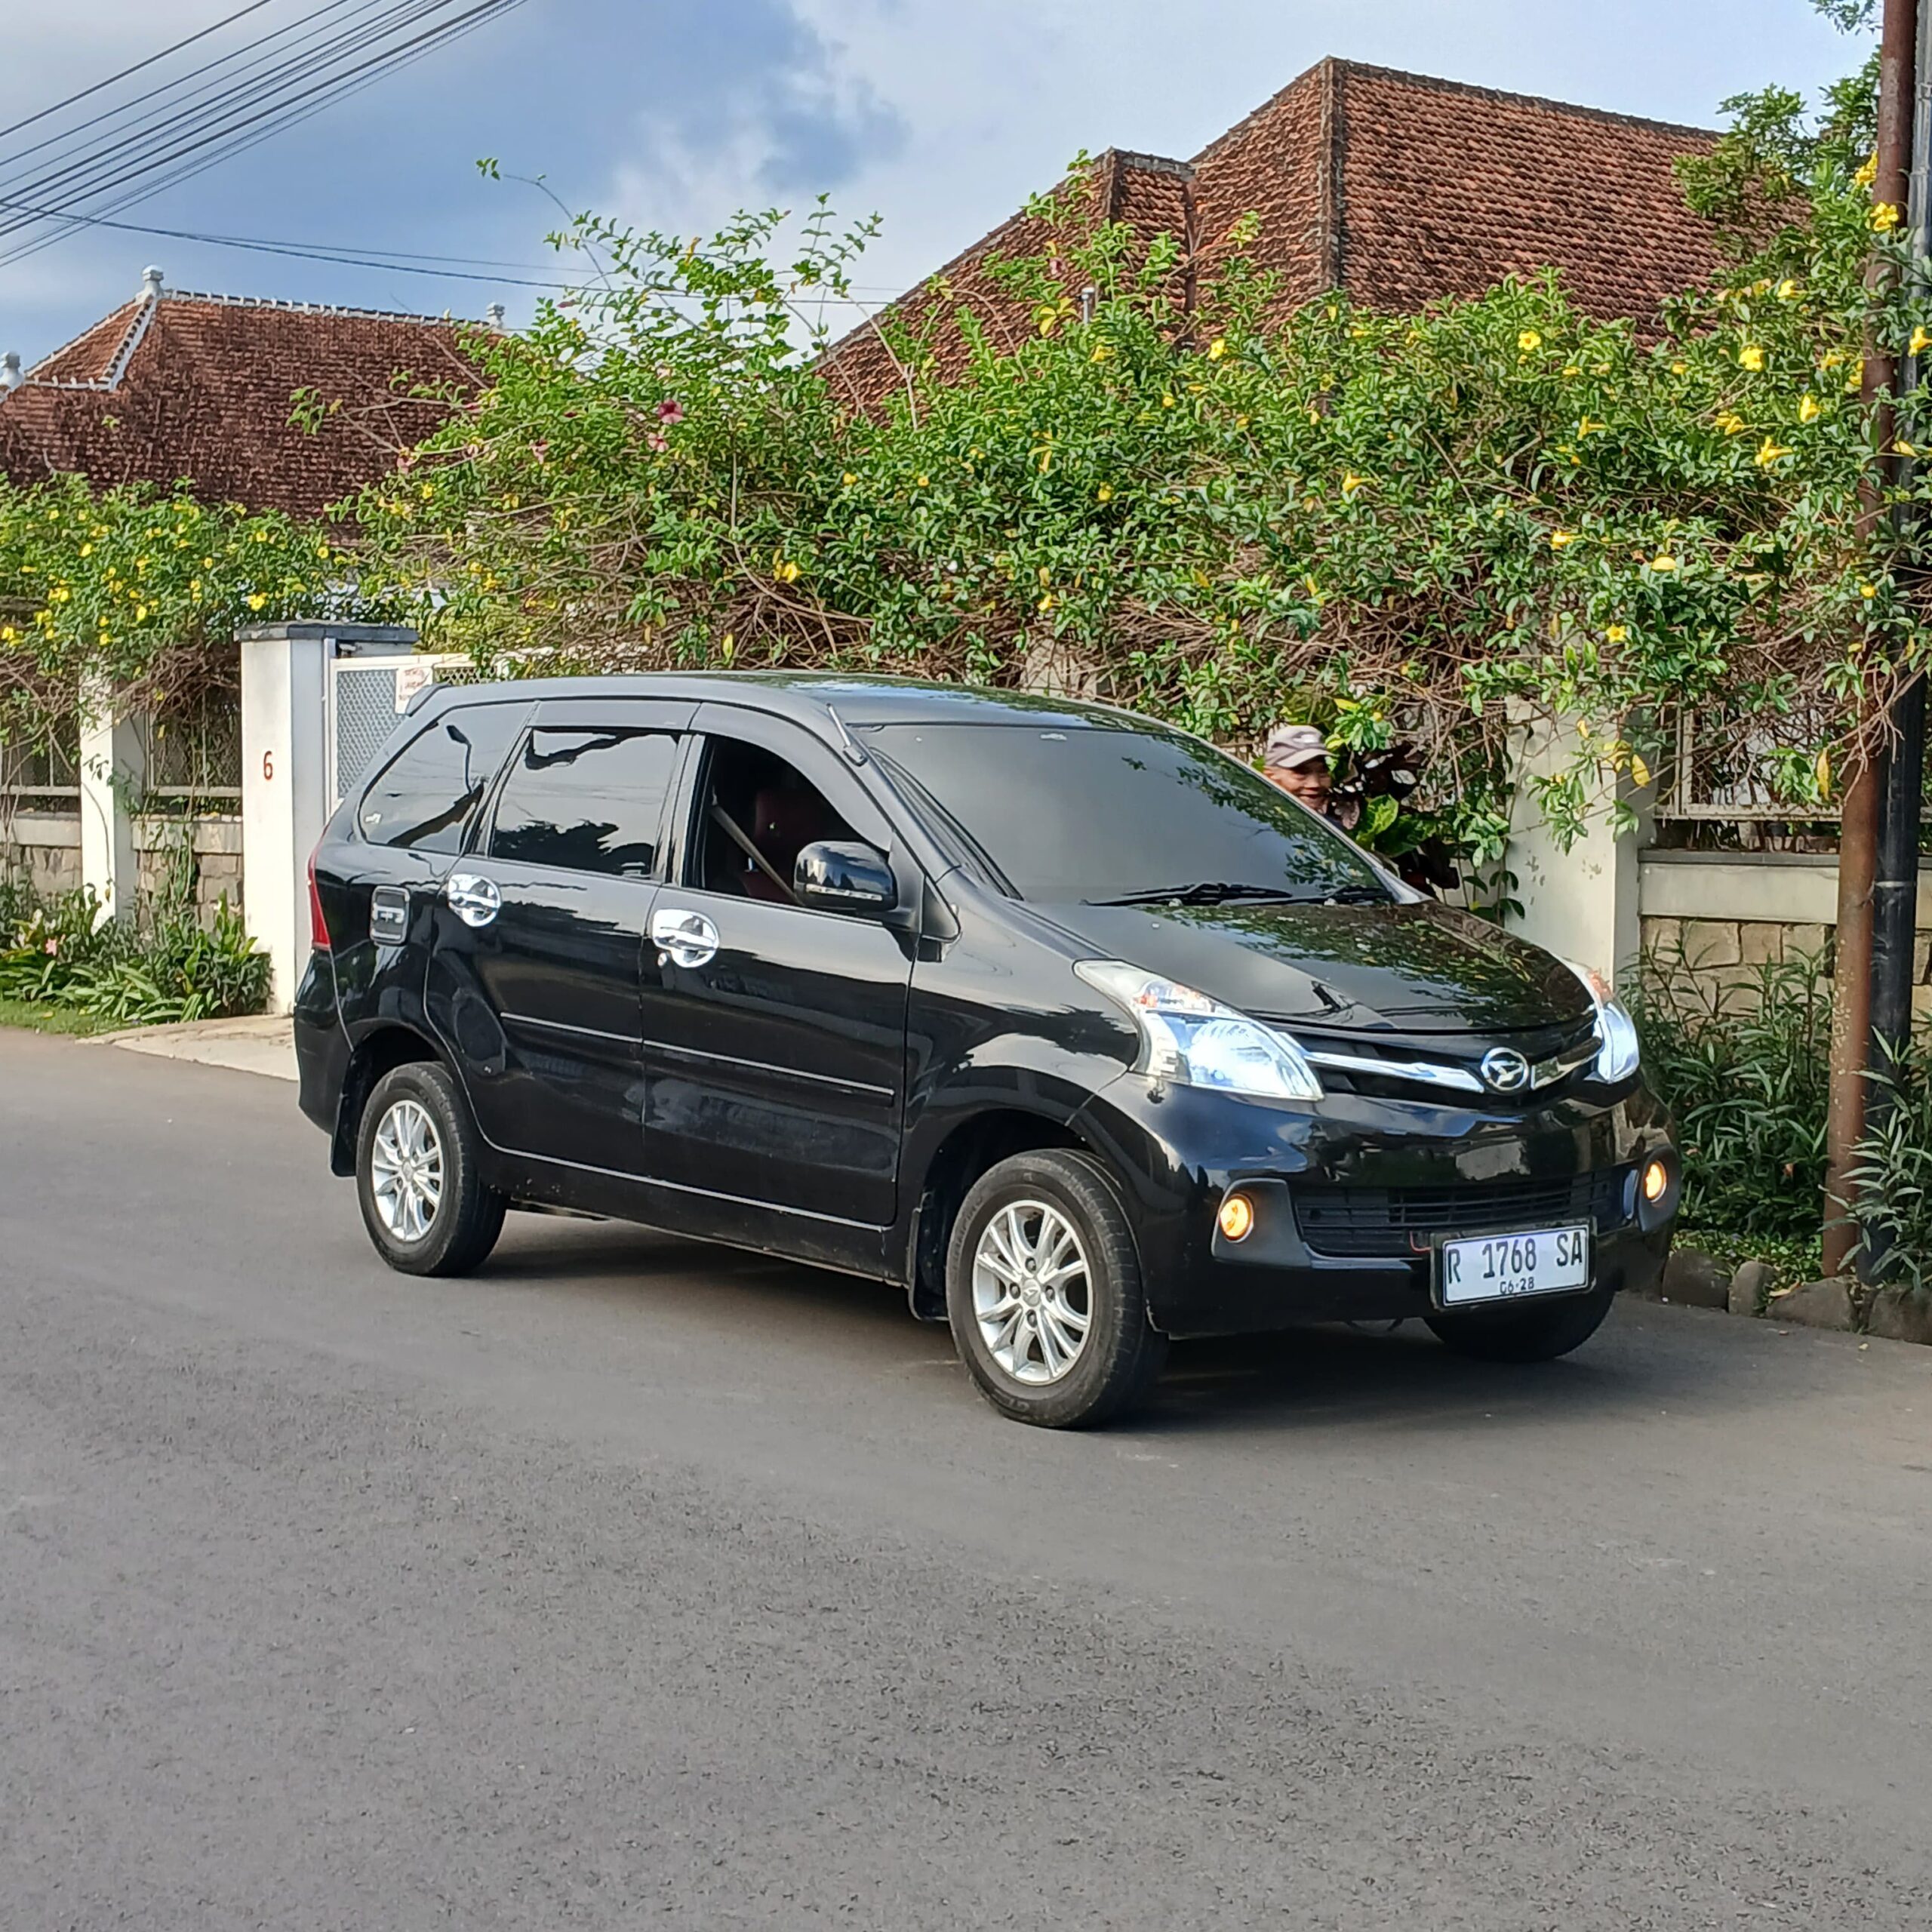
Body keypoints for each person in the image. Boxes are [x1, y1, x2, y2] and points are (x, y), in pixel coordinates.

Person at [1262, 722, 1358, 829]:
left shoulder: (1330, 833)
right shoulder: (1250, 824)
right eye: (1301, 772)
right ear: (1270, 777)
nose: (1315, 784)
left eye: (1322, 772)